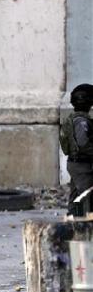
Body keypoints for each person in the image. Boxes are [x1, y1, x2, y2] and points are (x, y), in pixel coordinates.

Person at [60, 84, 93, 214]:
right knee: (86, 197)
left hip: (76, 163)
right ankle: (85, 222)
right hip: (82, 165)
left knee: (76, 195)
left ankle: (72, 219)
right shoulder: (81, 121)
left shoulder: (75, 118)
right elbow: (83, 144)